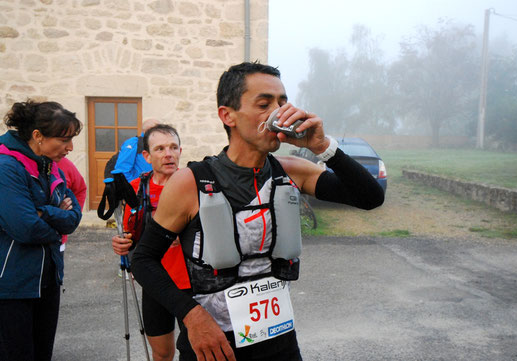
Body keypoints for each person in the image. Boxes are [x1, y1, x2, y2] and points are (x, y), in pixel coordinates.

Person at [131, 62, 385, 361]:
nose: (278, 114)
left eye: (282, 103)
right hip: (213, 345)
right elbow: (144, 260)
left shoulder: (291, 171)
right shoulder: (191, 182)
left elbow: (370, 197)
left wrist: (323, 147)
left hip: (278, 341)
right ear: (228, 115)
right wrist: (191, 315)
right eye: (264, 104)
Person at [0, 100, 83, 361]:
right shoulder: (7, 167)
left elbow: (73, 218)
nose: (70, 148)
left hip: (47, 279)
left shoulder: (49, 164)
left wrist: (45, 211)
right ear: (37, 136)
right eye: (64, 139)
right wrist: (56, 217)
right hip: (12, 287)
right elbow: (25, 227)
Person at [112, 124, 190, 361]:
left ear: (180, 151)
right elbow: (130, 233)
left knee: (195, 350)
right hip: (155, 280)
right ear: (146, 156)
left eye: (173, 147)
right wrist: (121, 243)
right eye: (160, 148)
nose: (168, 153)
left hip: (191, 282)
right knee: (162, 352)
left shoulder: (193, 184)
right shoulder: (137, 188)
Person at [113, 118, 160, 183]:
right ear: (147, 131)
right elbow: (122, 170)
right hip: (139, 188)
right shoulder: (133, 143)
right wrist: (135, 186)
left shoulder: (158, 143)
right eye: (158, 130)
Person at [57, 157, 87, 249]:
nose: (70, 148)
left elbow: (80, 189)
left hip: (59, 239)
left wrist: (72, 215)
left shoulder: (64, 163)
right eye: (63, 141)